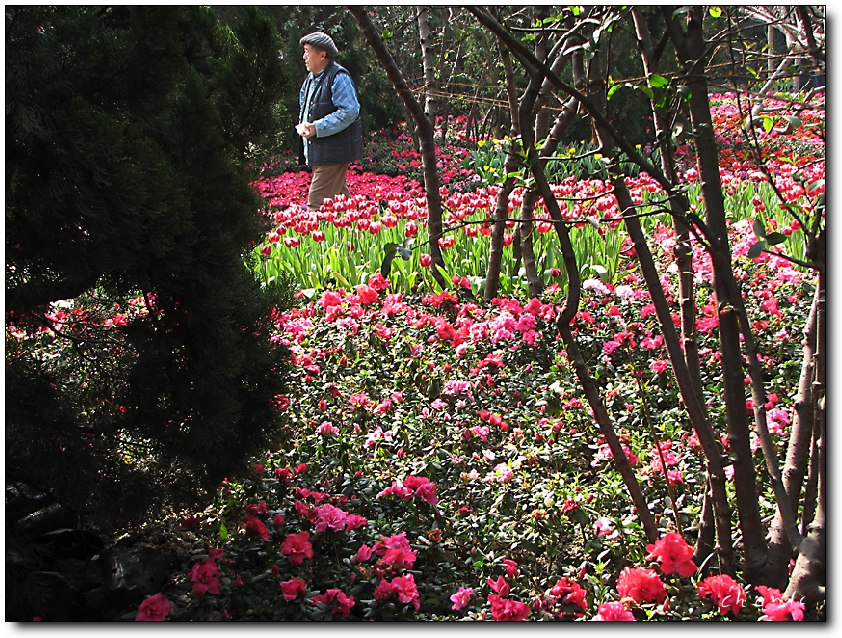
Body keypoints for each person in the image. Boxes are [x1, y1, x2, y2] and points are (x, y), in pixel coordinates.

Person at [297, 31, 363, 211]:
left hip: (334, 152)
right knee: (341, 204)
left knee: (316, 205)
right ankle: (358, 225)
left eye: (307, 51)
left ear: (322, 55)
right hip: (320, 151)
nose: (304, 57)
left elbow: (350, 111)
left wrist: (317, 127)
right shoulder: (310, 80)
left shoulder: (338, 77)